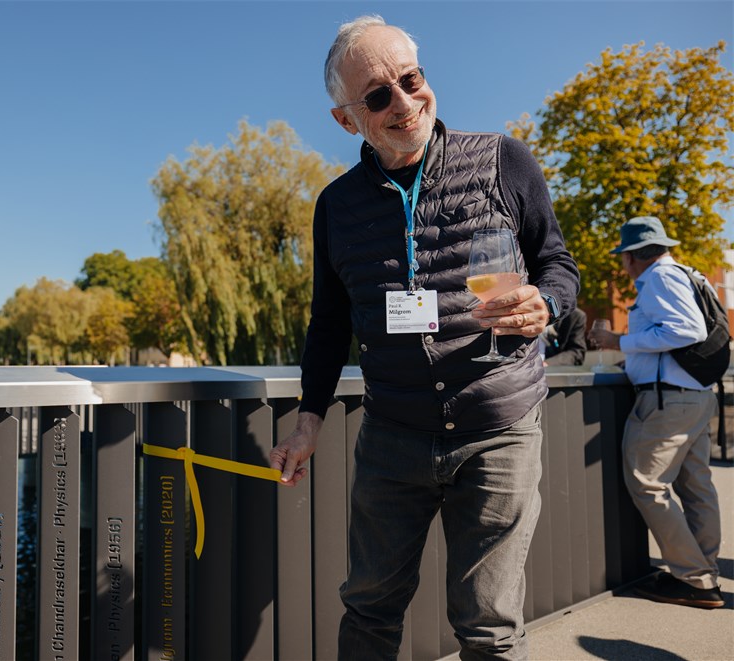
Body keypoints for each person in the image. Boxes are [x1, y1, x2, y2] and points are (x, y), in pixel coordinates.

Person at [268, 15, 580, 660]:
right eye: (379, 95)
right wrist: (307, 421)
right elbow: (328, 324)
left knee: (488, 626)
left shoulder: (503, 159)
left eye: (410, 79)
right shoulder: (336, 206)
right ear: (346, 120)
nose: (405, 103)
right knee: (369, 608)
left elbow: (556, 263)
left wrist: (545, 304)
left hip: (498, 424)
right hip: (393, 434)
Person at [588, 215, 723, 609]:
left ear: (632, 256)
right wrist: (634, 358)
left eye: (623, 257)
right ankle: (704, 574)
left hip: (667, 402)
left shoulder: (659, 278)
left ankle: (693, 578)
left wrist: (619, 341)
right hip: (693, 395)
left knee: (647, 484)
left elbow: (686, 331)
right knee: (697, 488)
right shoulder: (685, 273)